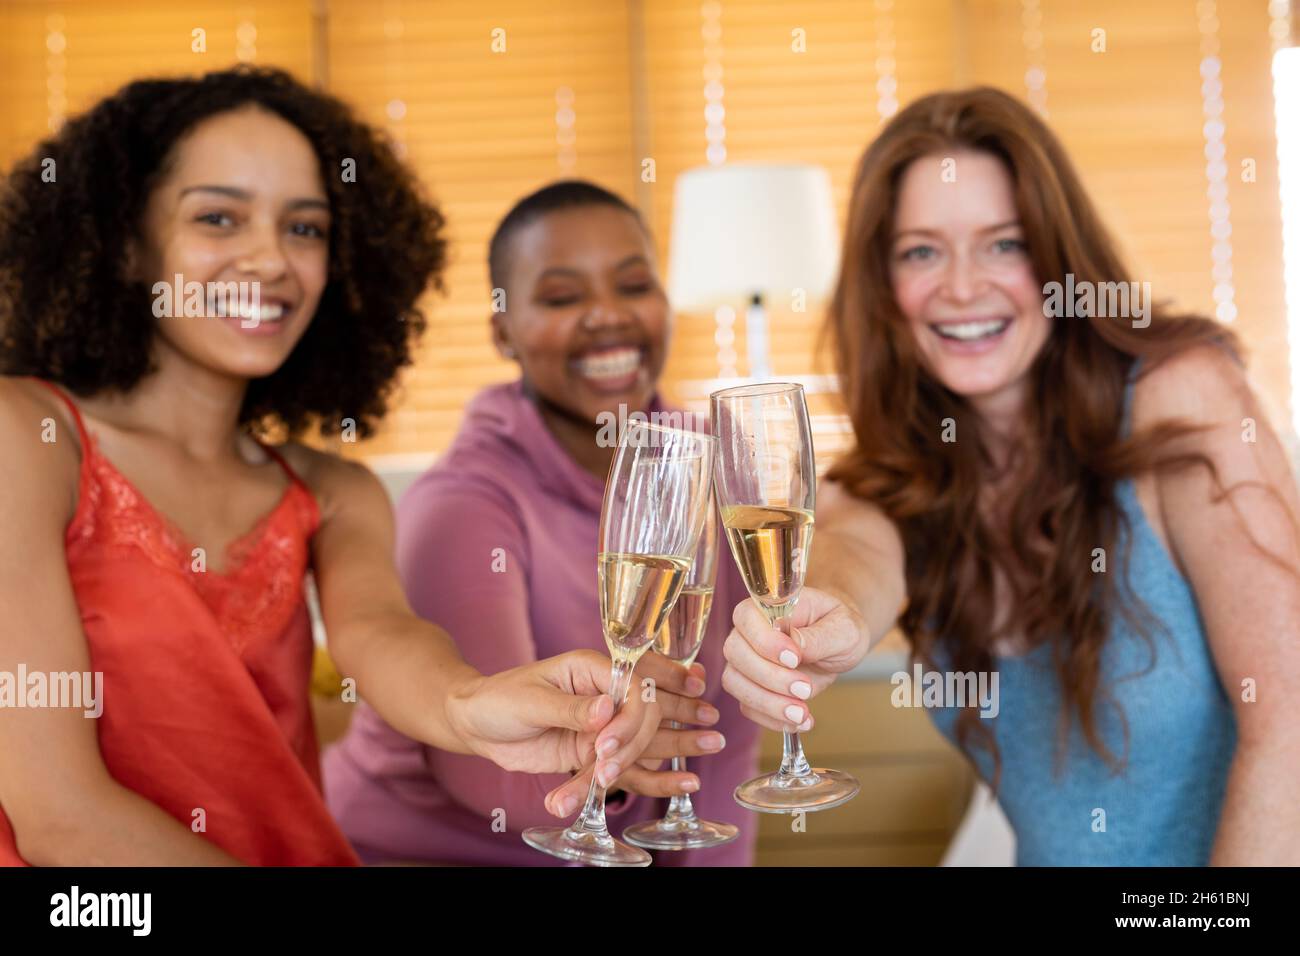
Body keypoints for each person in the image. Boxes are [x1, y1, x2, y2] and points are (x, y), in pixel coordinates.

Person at [0, 68, 702, 866]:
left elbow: (382, 635)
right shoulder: (26, 437)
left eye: (305, 228)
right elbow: (58, 815)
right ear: (126, 245)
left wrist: (472, 707)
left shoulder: (332, 491)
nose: (270, 259)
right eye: (220, 218)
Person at [718, 87, 1300, 865]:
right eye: (921, 251)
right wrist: (825, 621)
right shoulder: (896, 476)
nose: (962, 287)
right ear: (883, 286)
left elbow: (1290, 719)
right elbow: (850, 555)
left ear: (1059, 258)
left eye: (1005, 244)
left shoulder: (1178, 397)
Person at [324, 181, 761, 865]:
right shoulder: (462, 504)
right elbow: (502, 782)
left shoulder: (710, 469)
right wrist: (629, 733)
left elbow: (726, 741)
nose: (607, 317)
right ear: (503, 331)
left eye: (634, 285)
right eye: (562, 298)